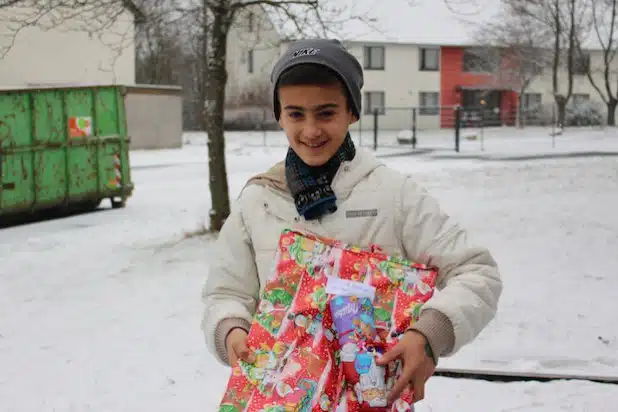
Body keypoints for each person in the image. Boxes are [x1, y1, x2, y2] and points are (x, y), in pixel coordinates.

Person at [201, 39, 502, 404]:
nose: (311, 130)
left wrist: (427, 335)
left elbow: (477, 273)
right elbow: (226, 292)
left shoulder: (393, 194)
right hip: (280, 397)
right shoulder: (258, 201)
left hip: (370, 398)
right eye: (296, 114)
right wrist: (231, 329)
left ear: (352, 113)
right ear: (279, 115)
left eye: (326, 113)